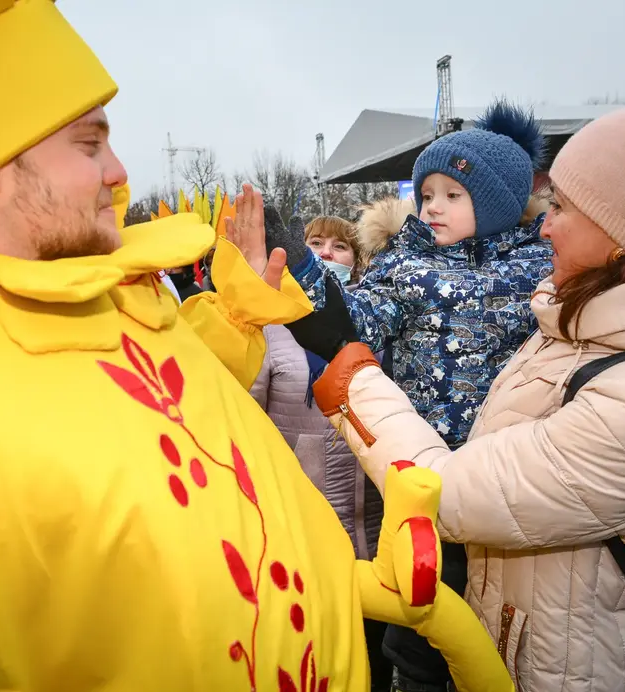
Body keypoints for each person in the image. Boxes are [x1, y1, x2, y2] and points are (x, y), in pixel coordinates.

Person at [0, 2, 513, 691]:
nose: (119, 171)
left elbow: (155, 415)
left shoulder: (99, 292)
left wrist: (232, 319)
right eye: (90, 143)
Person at [290, 101, 625, 690]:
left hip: (556, 659)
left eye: (562, 207)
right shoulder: (577, 311)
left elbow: (454, 495)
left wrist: (353, 377)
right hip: (499, 600)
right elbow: (362, 318)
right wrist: (307, 295)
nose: (543, 224)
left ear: (623, 234)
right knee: (413, 653)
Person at [258, 100, 553, 691]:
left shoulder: (540, 272)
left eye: (452, 195)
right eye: (427, 195)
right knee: (416, 637)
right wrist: (296, 272)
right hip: (419, 475)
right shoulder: (411, 266)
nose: (432, 207)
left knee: (493, 640)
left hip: (506, 480)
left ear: (496, 203)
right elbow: (355, 322)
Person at [250, 213, 391, 691]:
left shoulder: (374, 324)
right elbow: (249, 423)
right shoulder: (270, 330)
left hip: (374, 526)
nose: (328, 253)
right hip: (304, 529)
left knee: (377, 654)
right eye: (316, 243)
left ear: (356, 259)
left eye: (340, 246)